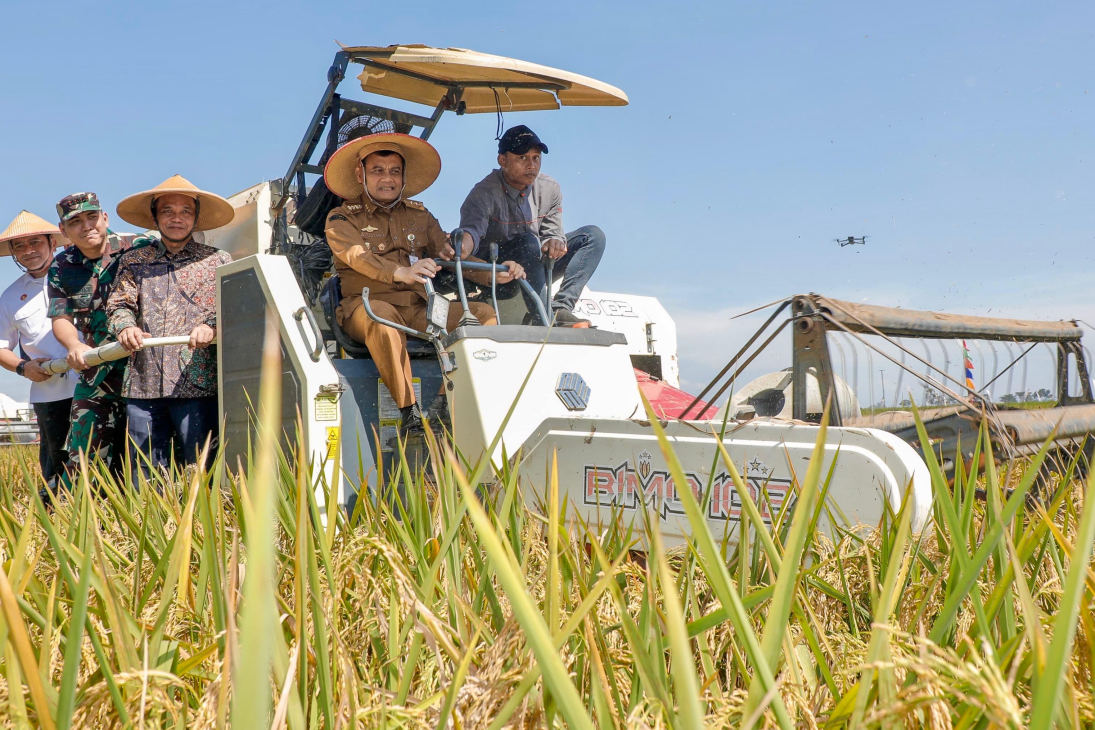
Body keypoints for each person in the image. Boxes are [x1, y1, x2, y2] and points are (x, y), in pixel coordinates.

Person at [323, 133, 525, 435]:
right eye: (378, 171)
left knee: (483, 315)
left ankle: (443, 407)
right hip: (365, 307)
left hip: (418, 309)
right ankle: (410, 413)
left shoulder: (420, 216)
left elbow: (450, 255)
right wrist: (398, 273)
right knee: (383, 322)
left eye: (394, 171)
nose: (387, 179)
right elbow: (357, 256)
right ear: (360, 174)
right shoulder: (340, 219)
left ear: (403, 177)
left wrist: (496, 273)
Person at [107, 175, 233, 472]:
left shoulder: (218, 261)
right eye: (167, 211)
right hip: (143, 382)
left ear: (196, 217)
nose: (177, 218)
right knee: (145, 473)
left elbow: (233, 307)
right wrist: (126, 327)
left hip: (198, 383)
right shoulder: (133, 261)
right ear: (155, 216)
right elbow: (119, 305)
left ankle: (202, 519)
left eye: (185, 211)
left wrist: (212, 327)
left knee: (202, 469)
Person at [458, 124, 606, 326]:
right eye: (522, 158)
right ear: (502, 160)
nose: (532, 165)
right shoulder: (483, 193)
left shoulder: (550, 188)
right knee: (527, 242)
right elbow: (471, 234)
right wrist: (462, 245)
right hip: (498, 275)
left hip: (534, 266)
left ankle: (560, 307)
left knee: (593, 236)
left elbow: (552, 232)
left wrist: (554, 242)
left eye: (536, 158)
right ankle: (541, 316)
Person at [48, 192, 147, 480]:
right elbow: (60, 317)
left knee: (149, 450)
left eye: (92, 217)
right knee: (83, 449)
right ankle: (79, 512)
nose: (87, 226)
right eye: (76, 221)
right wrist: (74, 344)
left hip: (145, 366)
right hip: (98, 368)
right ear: (63, 230)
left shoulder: (139, 246)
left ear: (104, 218)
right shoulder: (61, 266)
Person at [0, 211, 76, 490]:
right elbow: (1, 347)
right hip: (49, 391)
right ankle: (57, 521)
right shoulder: (10, 296)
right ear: (12, 253)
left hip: (95, 384)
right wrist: (23, 367)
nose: (28, 250)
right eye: (19, 245)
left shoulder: (79, 275)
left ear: (51, 243)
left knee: (104, 457)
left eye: (35, 242)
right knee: (55, 465)